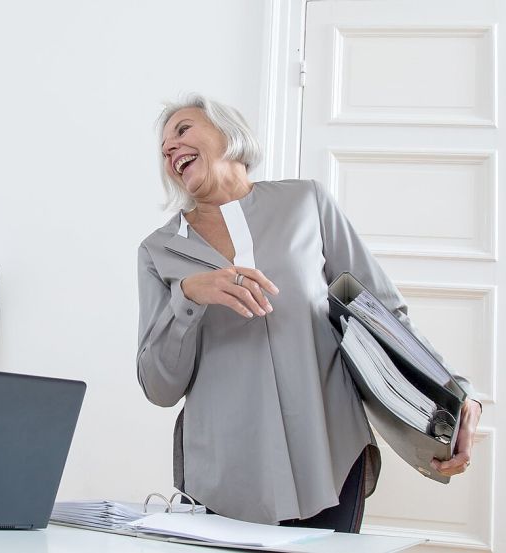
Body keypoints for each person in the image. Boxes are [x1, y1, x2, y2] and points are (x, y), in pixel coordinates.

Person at [136, 94, 482, 531]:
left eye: (182, 130)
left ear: (227, 132)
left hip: (330, 453)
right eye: (163, 148)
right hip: (224, 474)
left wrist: (454, 392)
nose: (170, 148)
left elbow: (384, 313)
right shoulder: (159, 251)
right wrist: (189, 296)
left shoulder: (306, 201)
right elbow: (158, 387)